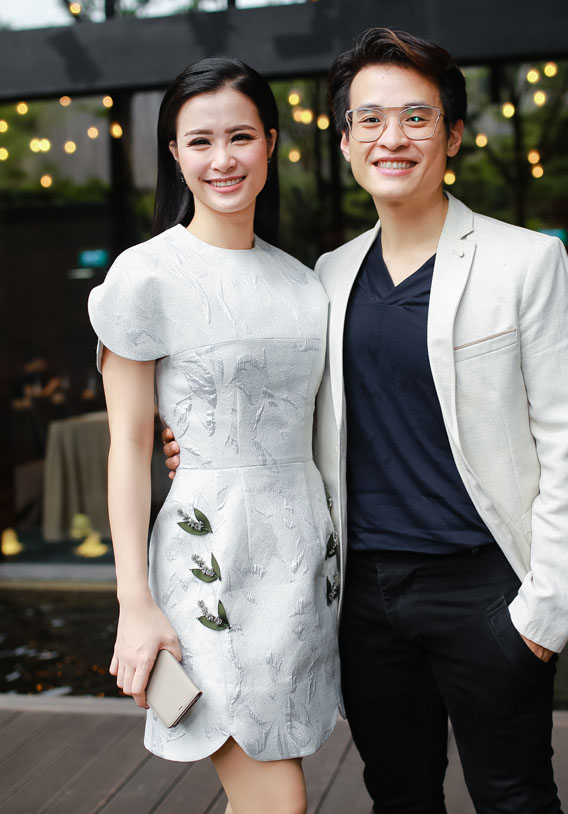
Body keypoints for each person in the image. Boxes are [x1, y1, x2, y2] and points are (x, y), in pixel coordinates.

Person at [164, 28, 568, 814]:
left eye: (416, 117)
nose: (391, 138)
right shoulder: (326, 277)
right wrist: (204, 445)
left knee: (516, 798)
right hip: (364, 599)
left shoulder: (526, 263)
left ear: (453, 134)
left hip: (485, 589)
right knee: (399, 797)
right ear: (344, 141)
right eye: (368, 119)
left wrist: (544, 615)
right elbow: (293, 413)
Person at [89, 56, 341, 814]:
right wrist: (134, 602)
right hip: (206, 561)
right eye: (200, 141)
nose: (222, 159)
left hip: (302, 566)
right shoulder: (146, 276)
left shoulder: (305, 283)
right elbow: (130, 448)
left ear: (271, 142)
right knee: (278, 799)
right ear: (174, 153)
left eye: (240, 136)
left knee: (264, 782)